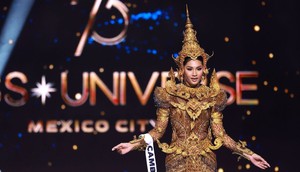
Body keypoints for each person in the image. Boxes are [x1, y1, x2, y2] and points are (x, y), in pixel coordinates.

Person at [112, 5, 270, 172]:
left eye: (198, 68)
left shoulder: (212, 97)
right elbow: (158, 131)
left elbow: (220, 135)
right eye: (189, 69)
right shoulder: (169, 95)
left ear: (204, 70)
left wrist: (248, 154)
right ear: (181, 70)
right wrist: (132, 145)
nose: (194, 73)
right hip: (177, 161)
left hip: (205, 161)